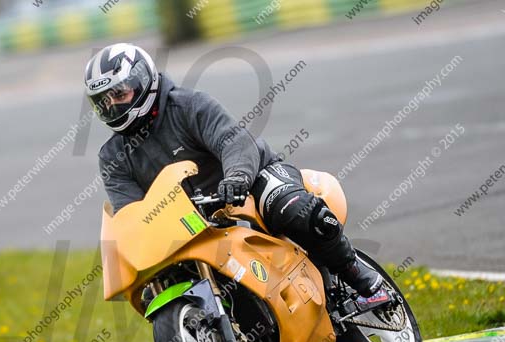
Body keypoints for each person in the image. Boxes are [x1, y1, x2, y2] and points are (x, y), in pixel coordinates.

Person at [85, 43, 381, 297]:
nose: (112, 107)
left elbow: (233, 140)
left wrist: (237, 177)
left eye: (119, 94)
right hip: (193, 225)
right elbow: (130, 215)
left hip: (253, 180)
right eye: (103, 102)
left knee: (294, 210)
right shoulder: (112, 156)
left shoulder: (189, 107)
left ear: (142, 81)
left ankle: (354, 271)